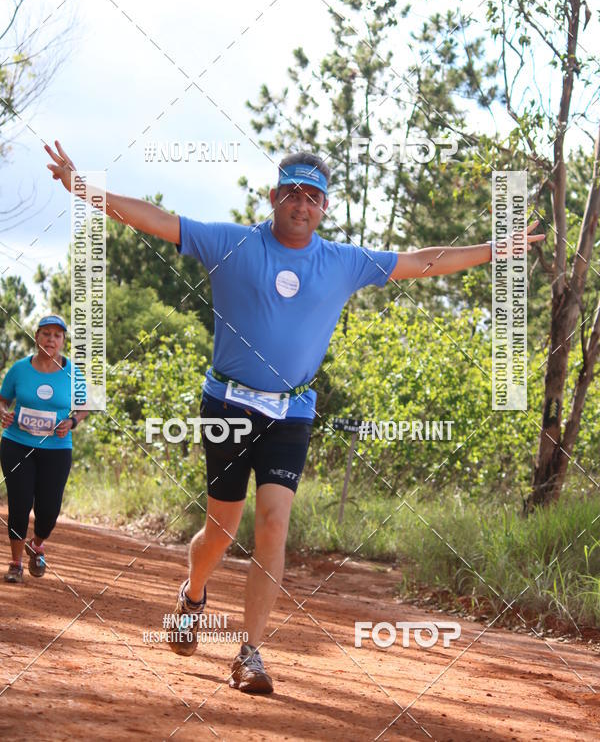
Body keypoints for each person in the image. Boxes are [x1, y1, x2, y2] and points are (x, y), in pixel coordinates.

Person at [44, 140, 544, 693]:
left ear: (324, 206)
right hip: (228, 406)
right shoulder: (230, 243)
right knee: (219, 529)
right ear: (274, 196)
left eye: (312, 197)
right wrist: (84, 188)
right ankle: (192, 592)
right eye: (291, 194)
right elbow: (158, 219)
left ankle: (250, 653)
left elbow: (424, 260)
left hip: (292, 413)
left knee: (274, 525)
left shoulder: (343, 262)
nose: (301, 205)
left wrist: (494, 250)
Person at [0, 315, 88, 583]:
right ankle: (15, 563)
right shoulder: (19, 369)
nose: (51, 339)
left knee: (49, 510)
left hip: (57, 448)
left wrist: (72, 421)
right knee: (19, 503)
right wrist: (3, 413)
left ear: (63, 341)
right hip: (17, 444)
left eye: (57, 335)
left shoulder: (73, 372)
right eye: (46, 334)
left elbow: (84, 406)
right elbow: (3, 399)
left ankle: (36, 544)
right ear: (36, 337)